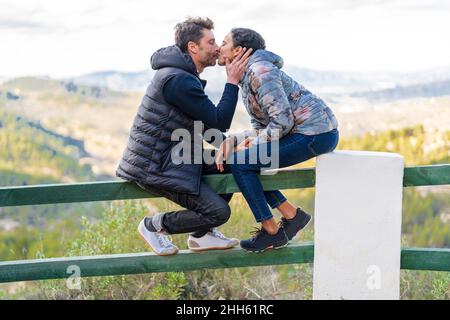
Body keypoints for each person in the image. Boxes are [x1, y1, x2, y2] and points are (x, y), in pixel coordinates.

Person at [116, 18, 252, 256]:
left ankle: (202, 235)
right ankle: (154, 225)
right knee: (218, 212)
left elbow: (204, 126)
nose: (217, 48)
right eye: (211, 42)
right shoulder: (178, 79)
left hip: (172, 156)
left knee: (230, 163)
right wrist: (233, 81)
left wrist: (230, 145)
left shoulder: (180, 75)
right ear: (193, 47)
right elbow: (219, 120)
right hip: (155, 165)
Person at [215, 28, 339, 252]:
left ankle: (271, 231)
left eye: (223, 43)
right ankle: (292, 216)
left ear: (238, 50)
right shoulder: (247, 75)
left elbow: (282, 121)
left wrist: (253, 143)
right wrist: (238, 139)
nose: (218, 48)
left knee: (242, 162)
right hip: (303, 132)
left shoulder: (260, 71)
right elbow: (263, 126)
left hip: (315, 134)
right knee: (245, 159)